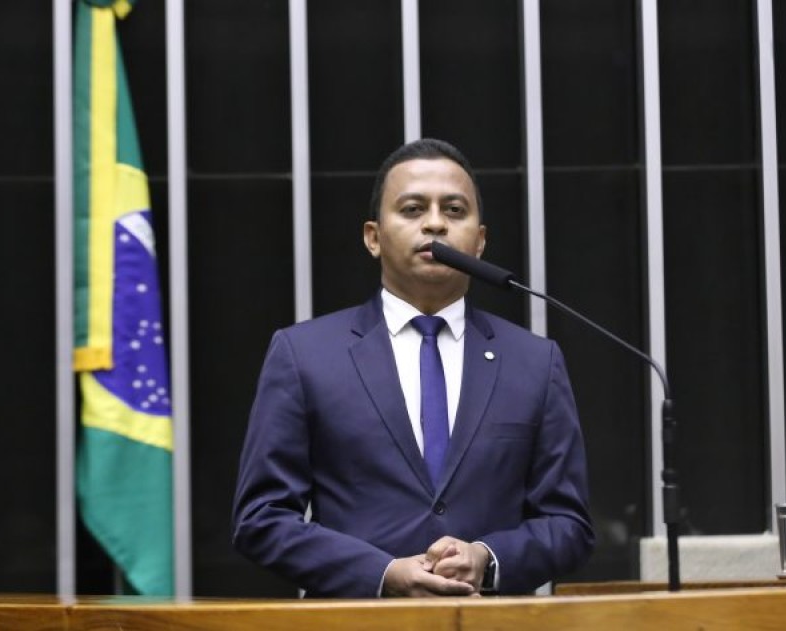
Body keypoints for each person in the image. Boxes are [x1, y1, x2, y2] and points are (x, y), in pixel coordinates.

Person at [232, 138, 594, 597]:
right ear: (373, 237)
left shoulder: (535, 362)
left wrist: (487, 558)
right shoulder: (304, 355)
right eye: (413, 209)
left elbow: (569, 524)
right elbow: (261, 518)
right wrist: (381, 574)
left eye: (455, 210)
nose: (436, 223)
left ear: (480, 242)